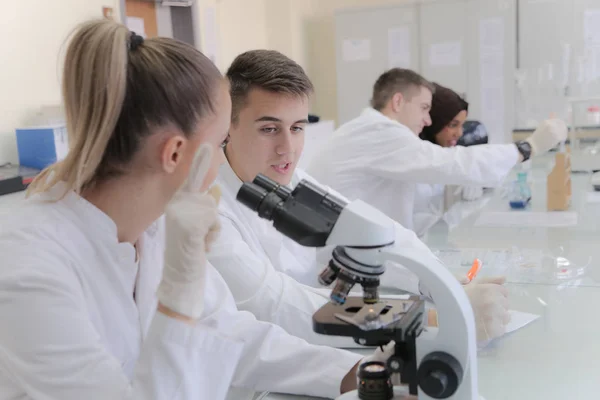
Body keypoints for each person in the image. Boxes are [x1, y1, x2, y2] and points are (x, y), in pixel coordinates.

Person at [0, 19, 379, 400]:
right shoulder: (29, 266)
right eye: (220, 143)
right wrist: (178, 301)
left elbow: (232, 333)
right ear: (176, 153)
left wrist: (359, 375)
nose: (222, 160)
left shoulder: (156, 230)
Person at [208, 50, 511, 348]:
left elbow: (372, 231)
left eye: (297, 128)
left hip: (321, 347)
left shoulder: (291, 178)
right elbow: (278, 305)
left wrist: (438, 281)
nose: (287, 148)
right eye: (269, 128)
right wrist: (431, 318)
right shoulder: (209, 212)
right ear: (227, 127)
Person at [306, 68, 568, 232]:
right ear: (398, 101)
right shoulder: (378, 132)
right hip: (337, 262)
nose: (429, 121)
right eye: (423, 108)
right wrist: (527, 148)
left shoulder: (372, 131)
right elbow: (447, 163)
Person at [414, 82, 484, 237]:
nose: (459, 134)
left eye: (461, 125)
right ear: (434, 122)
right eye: (453, 125)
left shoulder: (439, 153)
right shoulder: (415, 156)